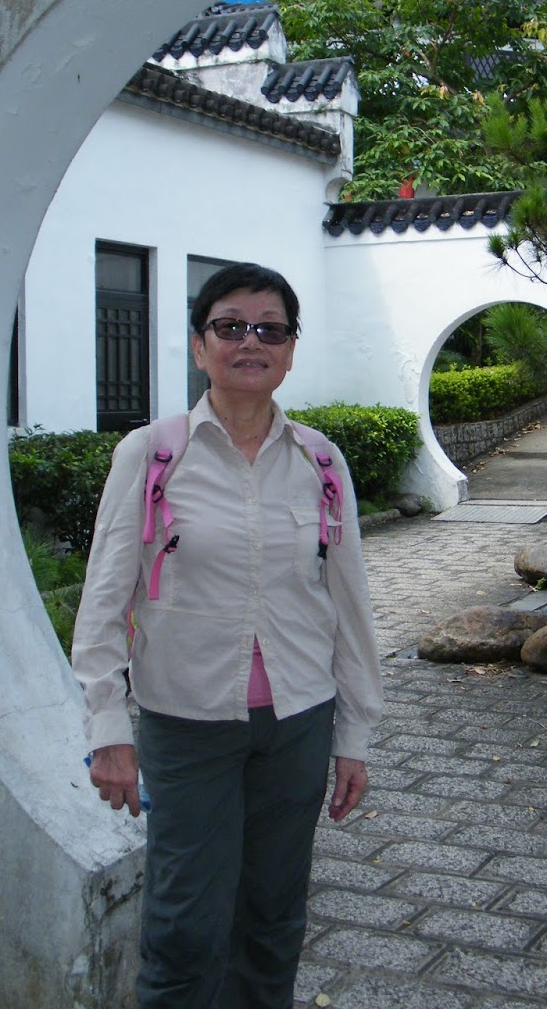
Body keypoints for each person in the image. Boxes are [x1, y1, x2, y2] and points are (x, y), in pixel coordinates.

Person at [71, 261, 385, 1009]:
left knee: (274, 920)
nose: (251, 342)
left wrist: (354, 734)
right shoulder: (152, 454)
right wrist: (107, 727)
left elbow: (349, 604)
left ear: (291, 348)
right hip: (187, 725)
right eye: (231, 327)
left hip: (298, 722)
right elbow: (105, 598)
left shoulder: (319, 460)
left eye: (270, 330)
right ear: (199, 345)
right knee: (184, 924)